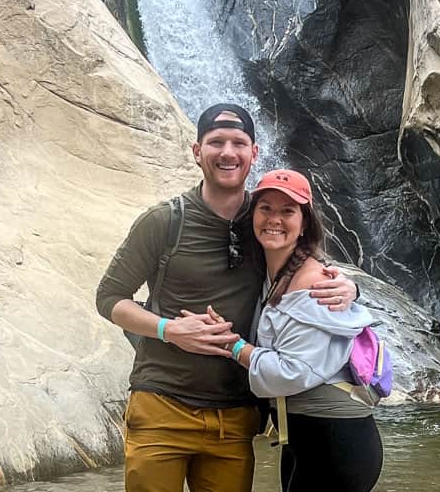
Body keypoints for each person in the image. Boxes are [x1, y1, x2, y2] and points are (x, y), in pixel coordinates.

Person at [94, 103, 359, 492]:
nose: (227, 152)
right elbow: (109, 297)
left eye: (239, 142)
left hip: (235, 415)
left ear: (254, 153)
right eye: (216, 142)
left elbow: (311, 267)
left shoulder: (267, 217)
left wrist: (352, 287)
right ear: (197, 151)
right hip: (161, 404)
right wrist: (169, 329)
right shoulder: (164, 221)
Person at [224, 168, 384, 492]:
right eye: (265, 207)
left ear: (305, 223)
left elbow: (291, 372)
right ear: (252, 214)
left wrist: (234, 347)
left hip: (338, 442)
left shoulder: (316, 285)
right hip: (303, 438)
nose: (274, 219)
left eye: (288, 210)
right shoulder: (271, 272)